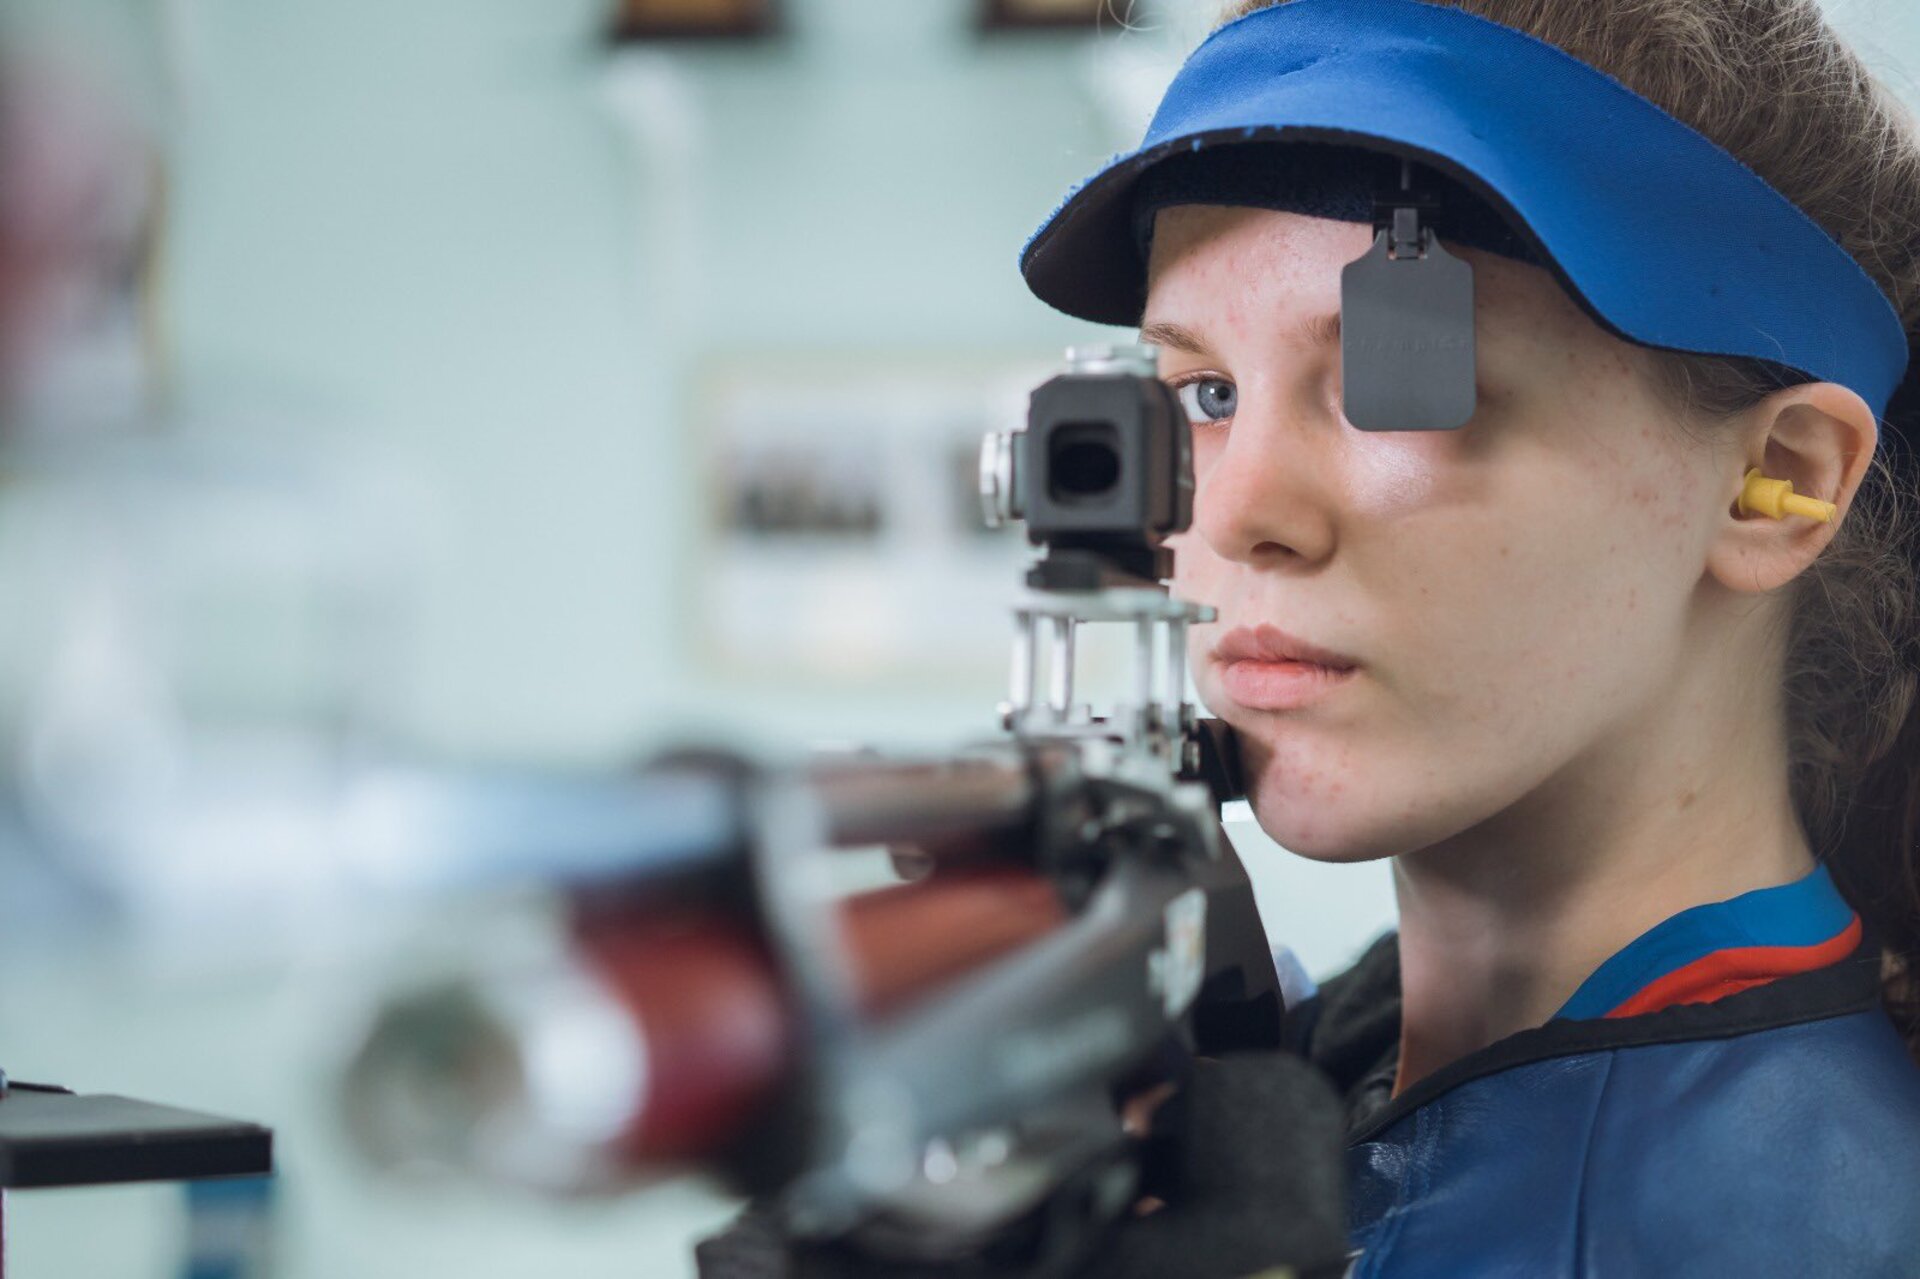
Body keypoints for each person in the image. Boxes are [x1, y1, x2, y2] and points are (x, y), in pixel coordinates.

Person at [704, 0, 1920, 1273]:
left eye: (1398, 383)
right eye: (1206, 394)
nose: (1234, 513)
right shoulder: (1342, 1052)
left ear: (1778, 479)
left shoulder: (1781, 1223)